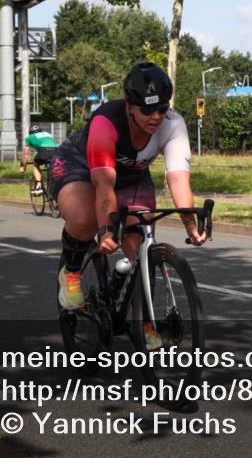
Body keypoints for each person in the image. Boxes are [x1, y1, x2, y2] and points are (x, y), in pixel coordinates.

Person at [49, 62, 206, 311]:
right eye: (147, 109)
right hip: (80, 166)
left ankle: (142, 320)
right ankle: (71, 272)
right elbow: (103, 184)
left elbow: (178, 179)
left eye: (162, 108)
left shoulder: (173, 124)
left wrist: (190, 223)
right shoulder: (106, 122)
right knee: (85, 218)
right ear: (129, 106)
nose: (156, 116)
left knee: (140, 243)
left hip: (131, 175)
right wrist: (105, 229)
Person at [20, 124, 58, 195]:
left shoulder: (29, 137)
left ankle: (38, 186)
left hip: (43, 150)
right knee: (54, 166)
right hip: (56, 150)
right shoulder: (47, 134)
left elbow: (26, 154)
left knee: (36, 164)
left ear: (30, 132)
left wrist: (24, 166)